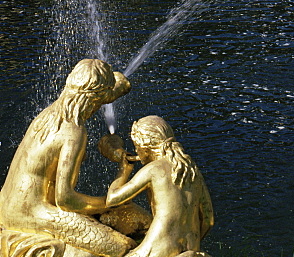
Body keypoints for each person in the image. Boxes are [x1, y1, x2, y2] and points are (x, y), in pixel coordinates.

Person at [0, 59, 133, 257]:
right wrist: (109, 202)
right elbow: (65, 200)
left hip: (7, 204)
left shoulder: (50, 114)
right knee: (120, 246)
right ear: (96, 97)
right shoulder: (74, 132)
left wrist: (119, 86)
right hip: (31, 212)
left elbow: (109, 89)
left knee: (128, 220)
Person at [103, 115, 214, 257]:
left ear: (145, 146)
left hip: (158, 249)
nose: (136, 152)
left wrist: (124, 169)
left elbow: (112, 199)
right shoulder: (190, 169)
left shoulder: (154, 169)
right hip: (190, 247)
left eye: (136, 147)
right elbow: (208, 220)